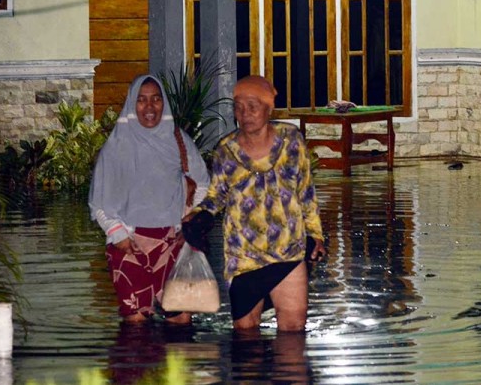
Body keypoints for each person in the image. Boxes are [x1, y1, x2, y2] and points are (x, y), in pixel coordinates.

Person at [183, 75, 326, 332]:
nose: (244, 113)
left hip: (287, 248)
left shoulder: (292, 140)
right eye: (238, 107)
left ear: (268, 107)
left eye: (252, 106)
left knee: (293, 329)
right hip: (243, 255)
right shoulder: (225, 149)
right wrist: (201, 215)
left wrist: (315, 234)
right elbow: (217, 195)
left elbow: (306, 191)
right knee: (246, 332)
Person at [89, 74, 210, 324]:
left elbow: (203, 184)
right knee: (136, 324)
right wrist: (119, 235)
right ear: (132, 104)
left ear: (163, 103)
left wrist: (187, 218)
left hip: (171, 243)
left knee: (180, 319)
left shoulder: (178, 142)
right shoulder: (116, 147)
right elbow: (99, 202)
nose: (150, 107)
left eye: (156, 99)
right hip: (127, 244)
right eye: (142, 100)